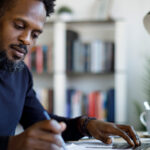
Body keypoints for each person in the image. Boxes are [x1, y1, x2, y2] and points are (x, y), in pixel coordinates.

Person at [0, 0, 140, 150]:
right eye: (19, 26)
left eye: (35, 35)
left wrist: (85, 125)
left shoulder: (21, 74)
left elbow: (44, 124)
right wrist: (11, 144)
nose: (27, 40)